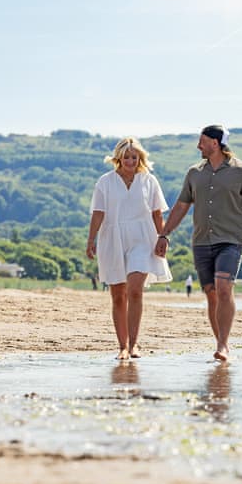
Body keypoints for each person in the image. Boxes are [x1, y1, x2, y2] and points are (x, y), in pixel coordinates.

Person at [155, 124, 242, 362]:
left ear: (215, 143)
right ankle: (222, 342)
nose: (198, 146)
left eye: (202, 141)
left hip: (231, 239)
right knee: (211, 293)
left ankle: (222, 345)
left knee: (223, 286)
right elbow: (181, 206)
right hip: (201, 241)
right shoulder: (194, 173)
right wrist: (164, 234)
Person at [87, 137, 172, 360]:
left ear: (140, 158)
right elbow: (98, 213)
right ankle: (122, 346)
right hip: (112, 238)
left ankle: (134, 345)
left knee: (135, 290)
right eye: (126, 156)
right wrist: (91, 240)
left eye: (135, 156)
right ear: (119, 158)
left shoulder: (149, 181)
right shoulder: (105, 182)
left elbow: (157, 213)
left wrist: (163, 237)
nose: (131, 160)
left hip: (143, 239)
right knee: (117, 296)